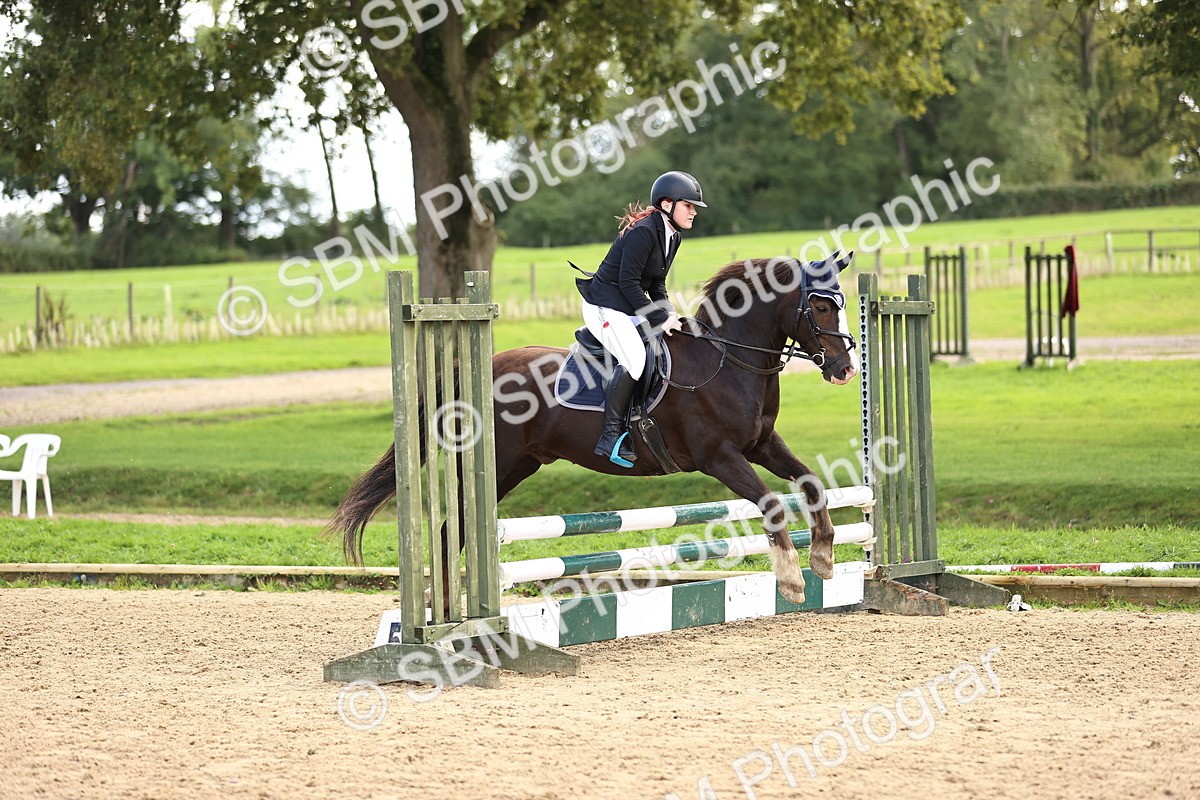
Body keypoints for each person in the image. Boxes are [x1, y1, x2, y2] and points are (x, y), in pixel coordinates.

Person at [575, 170, 705, 467]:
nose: (694, 212)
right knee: (635, 360)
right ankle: (610, 436)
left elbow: (656, 285)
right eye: (689, 205)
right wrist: (659, 317)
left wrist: (671, 315)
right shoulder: (644, 231)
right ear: (667, 204)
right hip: (604, 306)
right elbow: (628, 284)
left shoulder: (673, 236)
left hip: (628, 307)